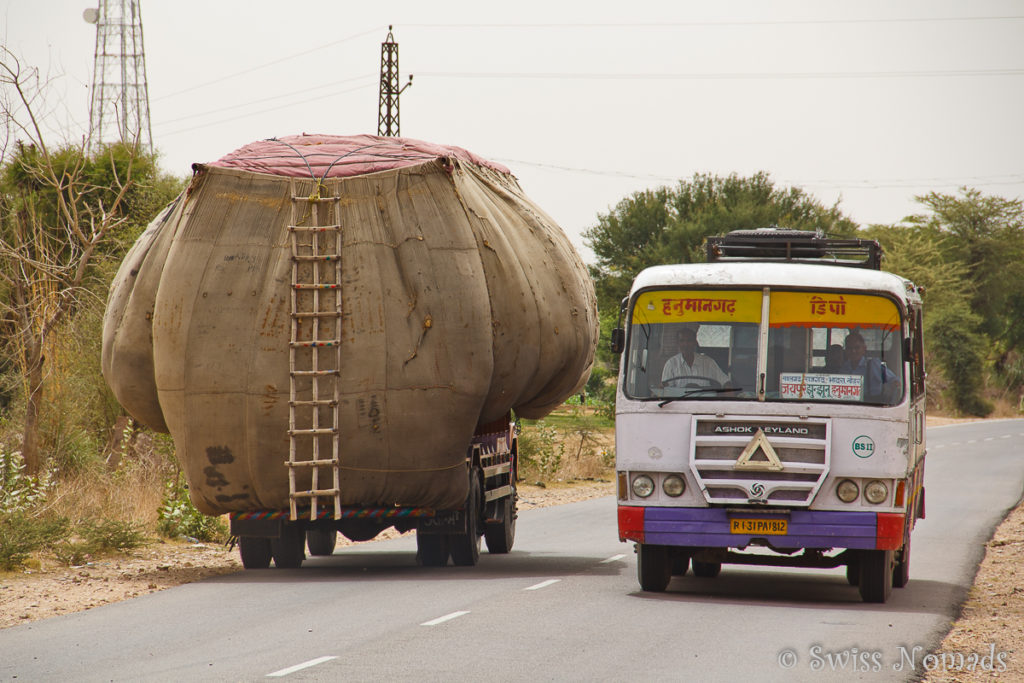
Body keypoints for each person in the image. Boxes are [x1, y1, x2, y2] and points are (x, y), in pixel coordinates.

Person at [661, 326, 730, 388]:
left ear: (695, 342)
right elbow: (665, 389)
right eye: (682, 341)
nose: (686, 344)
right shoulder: (671, 364)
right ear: (678, 343)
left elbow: (725, 382)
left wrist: (728, 394)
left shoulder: (708, 362)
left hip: (704, 402)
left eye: (689, 341)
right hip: (679, 402)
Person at [840, 330, 898, 399]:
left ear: (864, 349)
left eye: (857, 348)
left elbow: (894, 380)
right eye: (849, 348)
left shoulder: (874, 364)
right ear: (846, 350)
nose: (853, 351)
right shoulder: (844, 368)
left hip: (871, 404)